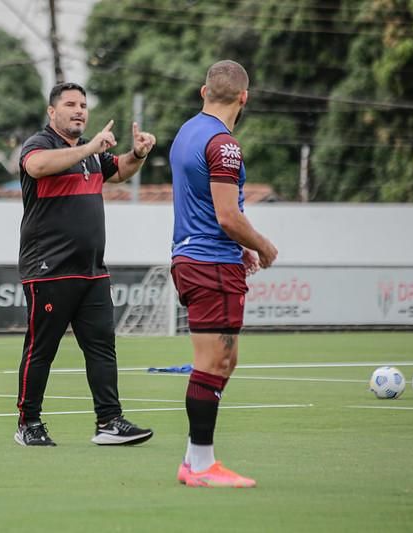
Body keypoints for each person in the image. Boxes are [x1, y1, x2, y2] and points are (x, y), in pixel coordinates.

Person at [15, 82, 156, 447]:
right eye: (70, 104)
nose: (79, 110)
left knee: (102, 347)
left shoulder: (90, 154)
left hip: (92, 270)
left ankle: (108, 421)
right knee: (41, 349)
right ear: (52, 112)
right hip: (49, 269)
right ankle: (28, 423)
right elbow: (36, 167)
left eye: (83, 105)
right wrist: (90, 147)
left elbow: (121, 170)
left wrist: (137, 154)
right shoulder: (40, 144)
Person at [169, 60, 278, 488]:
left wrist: (239, 249)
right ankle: (199, 465)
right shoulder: (224, 144)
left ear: (203, 92)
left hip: (198, 259)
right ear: (244, 98)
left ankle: (195, 458)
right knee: (214, 361)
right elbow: (228, 216)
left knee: (224, 360)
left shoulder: (186, 132)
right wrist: (262, 245)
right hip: (210, 263)